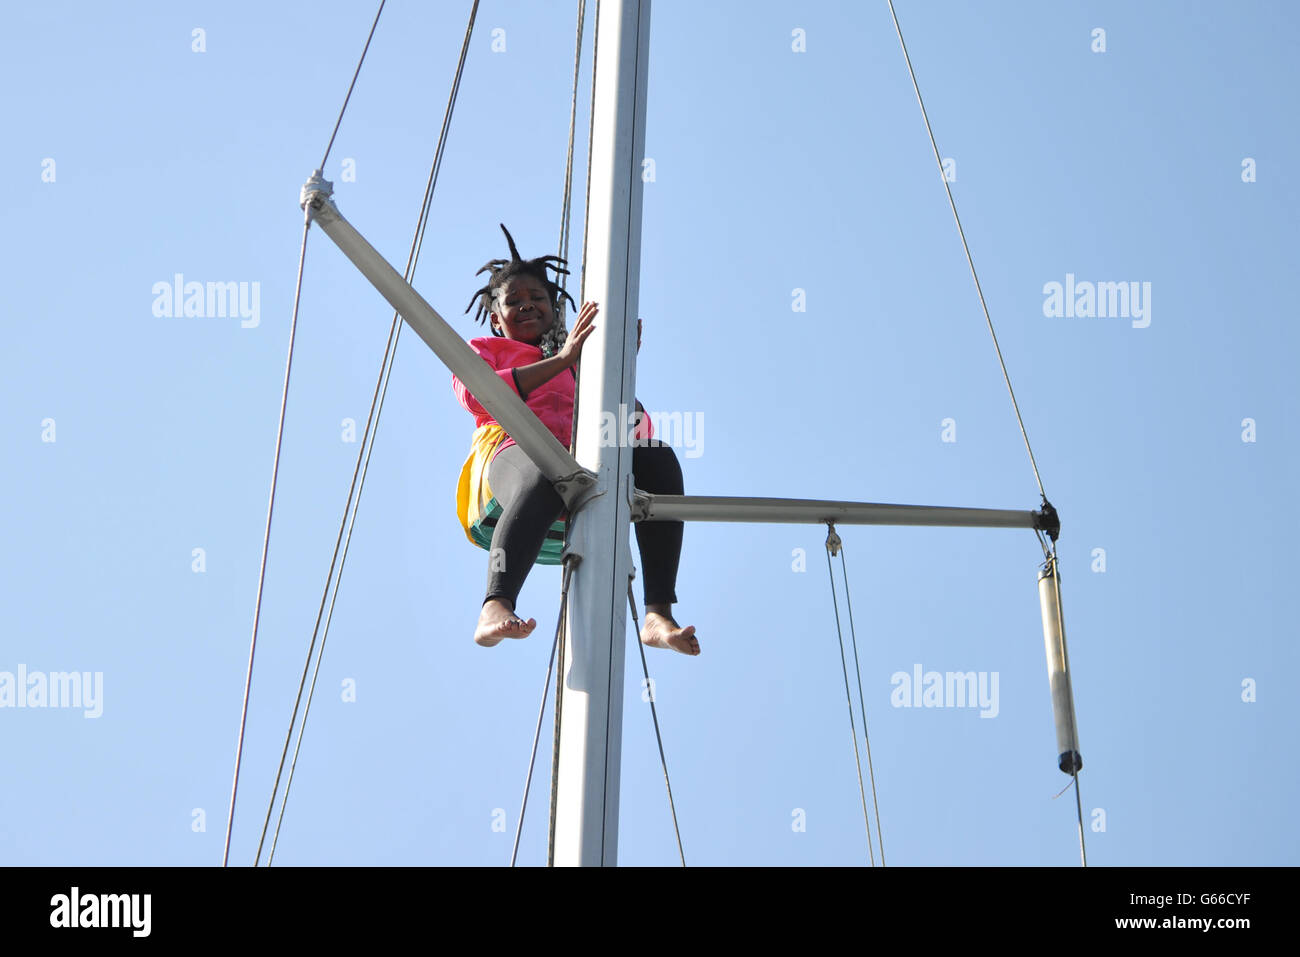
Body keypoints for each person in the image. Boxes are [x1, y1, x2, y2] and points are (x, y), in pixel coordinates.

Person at [453, 224, 699, 656]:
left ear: (555, 309)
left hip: (582, 462)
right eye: (515, 301)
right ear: (496, 317)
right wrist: (564, 358)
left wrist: (616, 368)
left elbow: (634, 430)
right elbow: (480, 395)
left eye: (538, 299)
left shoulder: (577, 363)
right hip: (513, 454)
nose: (528, 305)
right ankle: (495, 603)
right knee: (548, 470)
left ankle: (657, 611)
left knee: (657, 457)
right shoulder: (486, 349)